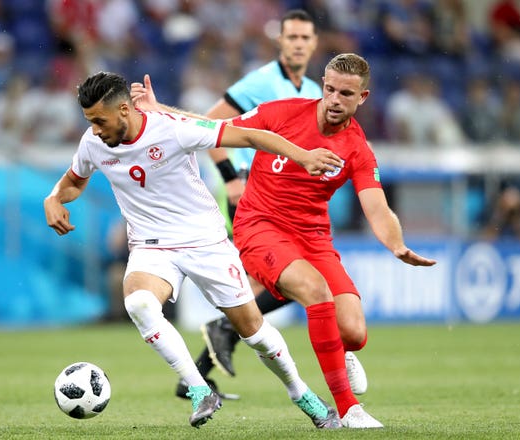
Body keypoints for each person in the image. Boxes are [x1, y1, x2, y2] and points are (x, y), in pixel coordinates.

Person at [132, 53, 437, 428]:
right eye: (329, 89)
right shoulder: (280, 113)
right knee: (313, 289)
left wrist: (396, 245)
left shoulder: (358, 149)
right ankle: (347, 408)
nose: (335, 99)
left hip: (313, 237)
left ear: (363, 98)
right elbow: (212, 128)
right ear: (322, 86)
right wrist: (155, 108)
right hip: (259, 226)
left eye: (346, 93)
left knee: (354, 334)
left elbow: (377, 208)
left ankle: (338, 352)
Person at [43, 71, 345, 429]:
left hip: (205, 242)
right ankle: (200, 389)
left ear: (124, 110)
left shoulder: (172, 129)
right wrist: (54, 197)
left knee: (253, 333)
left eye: (99, 121)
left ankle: (301, 393)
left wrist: (303, 156)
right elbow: (74, 181)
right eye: (89, 122)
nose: (94, 130)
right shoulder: (93, 143)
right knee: (139, 303)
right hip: (152, 247)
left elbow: (248, 134)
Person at [172, 8, 375, 402]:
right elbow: (213, 124)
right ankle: (217, 342)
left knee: (269, 281)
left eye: (305, 38)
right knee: (273, 278)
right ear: (279, 41)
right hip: (251, 195)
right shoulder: (261, 81)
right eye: (292, 38)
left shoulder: (320, 91)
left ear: (315, 44)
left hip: (290, 200)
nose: (298, 44)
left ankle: (201, 366)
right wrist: (232, 177)